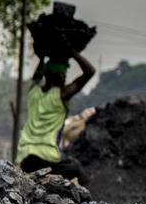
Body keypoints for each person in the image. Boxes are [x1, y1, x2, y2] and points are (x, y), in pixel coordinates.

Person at [16, 53, 95, 182]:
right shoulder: (61, 95)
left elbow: (36, 77)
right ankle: (85, 201)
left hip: (26, 158)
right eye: (64, 75)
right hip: (47, 157)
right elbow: (90, 72)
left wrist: (41, 57)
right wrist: (72, 51)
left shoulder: (34, 92)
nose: (65, 78)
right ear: (60, 76)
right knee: (76, 169)